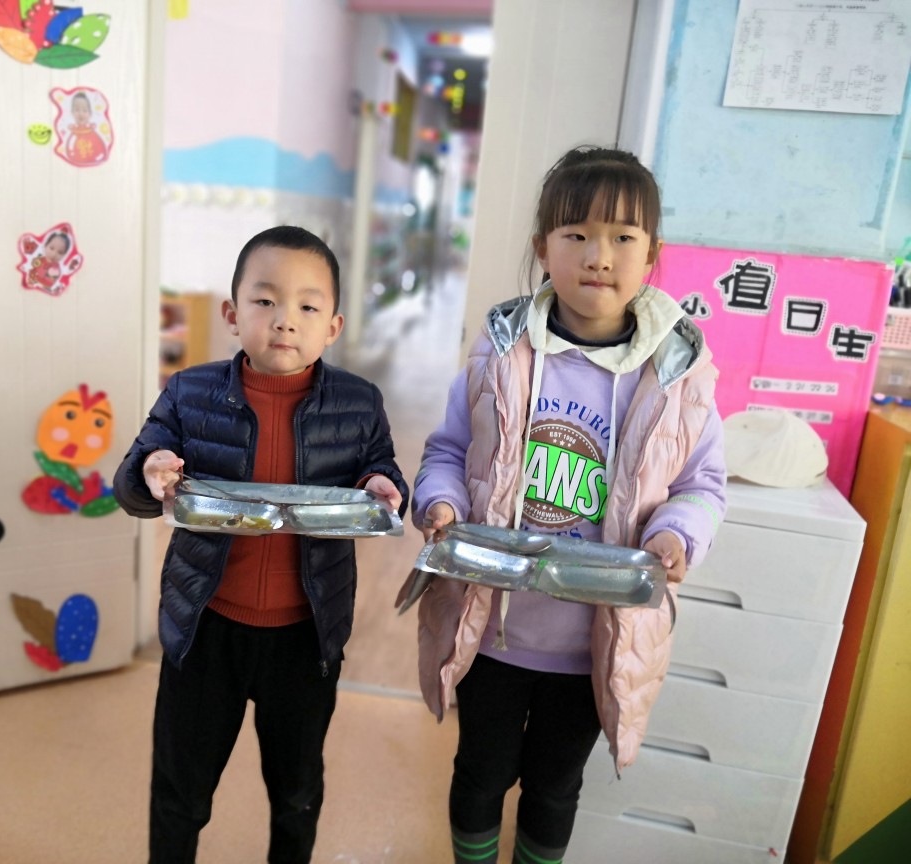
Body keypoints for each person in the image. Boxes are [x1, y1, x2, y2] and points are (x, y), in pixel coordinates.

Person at [402, 146, 727, 864]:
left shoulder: (678, 376)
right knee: (480, 773)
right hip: (493, 628)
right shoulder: (499, 355)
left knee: (555, 787)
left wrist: (677, 536)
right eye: (576, 234)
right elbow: (448, 450)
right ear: (542, 248)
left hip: (595, 644)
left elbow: (702, 486)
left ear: (652, 254)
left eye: (622, 237)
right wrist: (441, 503)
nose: (598, 256)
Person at [113, 225, 409, 864]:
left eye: (307, 306)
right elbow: (133, 483)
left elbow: (380, 472)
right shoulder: (190, 392)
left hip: (306, 635)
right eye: (265, 300)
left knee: (296, 793)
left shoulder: (359, 403)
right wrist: (151, 471)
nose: (284, 320)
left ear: (333, 326)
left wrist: (383, 487)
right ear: (232, 313)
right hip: (204, 629)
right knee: (180, 793)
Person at [64, 90, 108, 165]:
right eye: (77, 110)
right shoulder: (73, 133)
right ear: (72, 112)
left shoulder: (92, 132)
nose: (81, 114)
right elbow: (70, 151)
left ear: (90, 113)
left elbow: (100, 150)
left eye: (85, 110)